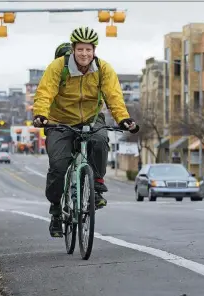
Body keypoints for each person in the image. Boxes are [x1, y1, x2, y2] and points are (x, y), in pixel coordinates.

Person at [32, 26, 137, 238]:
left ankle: (96, 185)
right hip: (59, 121)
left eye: (88, 50)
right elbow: (45, 93)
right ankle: (56, 211)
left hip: (90, 117)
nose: (84, 54)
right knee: (59, 166)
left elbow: (114, 97)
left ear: (94, 50)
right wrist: (41, 115)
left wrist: (123, 119)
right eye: (80, 49)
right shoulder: (58, 67)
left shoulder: (103, 69)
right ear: (73, 49)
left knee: (99, 140)